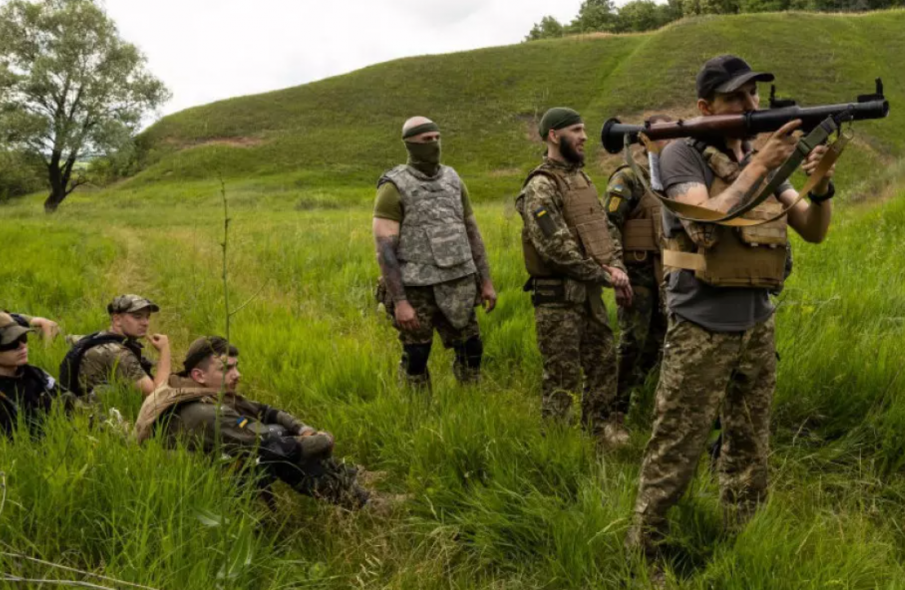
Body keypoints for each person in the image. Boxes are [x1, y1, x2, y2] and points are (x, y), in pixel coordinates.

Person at [626, 55, 836, 562]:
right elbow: (707, 216)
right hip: (701, 325)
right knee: (677, 445)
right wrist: (763, 162)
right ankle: (645, 550)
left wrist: (822, 182)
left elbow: (812, 228)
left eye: (754, 95)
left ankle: (741, 543)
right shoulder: (683, 155)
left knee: (748, 445)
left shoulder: (754, 158)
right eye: (736, 97)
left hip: (756, 324)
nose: (750, 105)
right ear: (705, 107)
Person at [135, 336, 370, 509]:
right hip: (188, 488)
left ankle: (349, 479)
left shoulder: (184, 386)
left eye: (236, 366)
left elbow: (264, 411)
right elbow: (273, 447)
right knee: (279, 454)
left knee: (276, 433)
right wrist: (322, 440)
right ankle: (361, 501)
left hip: (194, 469)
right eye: (227, 368)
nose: (237, 375)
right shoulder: (207, 413)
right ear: (199, 375)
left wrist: (302, 429)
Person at [515, 107, 632, 444]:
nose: (584, 137)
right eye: (577, 130)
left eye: (584, 129)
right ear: (554, 135)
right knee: (561, 378)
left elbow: (605, 230)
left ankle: (597, 436)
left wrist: (617, 265)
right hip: (558, 300)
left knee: (603, 366)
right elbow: (556, 246)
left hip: (590, 295)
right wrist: (605, 275)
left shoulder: (581, 180)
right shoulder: (540, 186)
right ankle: (557, 448)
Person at [373, 116, 497, 387]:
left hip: (459, 282)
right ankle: (417, 411)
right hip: (417, 288)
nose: (434, 144)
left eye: (436, 138)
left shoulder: (453, 179)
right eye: (426, 140)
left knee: (471, 349)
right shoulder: (393, 187)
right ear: (409, 144)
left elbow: (472, 231)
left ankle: (470, 402)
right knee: (417, 355)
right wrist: (401, 302)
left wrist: (485, 281)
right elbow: (385, 250)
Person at [603, 116, 673, 418]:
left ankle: (644, 403)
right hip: (637, 276)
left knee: (661, 342)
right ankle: (615, 408)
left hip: (667, 276)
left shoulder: (673, 181)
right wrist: (617, 272)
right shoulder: (629, 177)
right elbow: (608, 225)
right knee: (633, 342)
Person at [60, 294, 171, 398]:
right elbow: (157, 396)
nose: (145, 322)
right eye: (137, 317)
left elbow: (65, 339)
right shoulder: (120, 355)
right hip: (97, 413)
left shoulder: (97, 337)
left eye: (147, 317)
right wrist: (164, 350)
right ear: (117, 319)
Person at [0, 312, 72, 437]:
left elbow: (69, 402)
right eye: (12, 343)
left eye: (23, 338)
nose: (22, 346)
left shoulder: (34, 375)